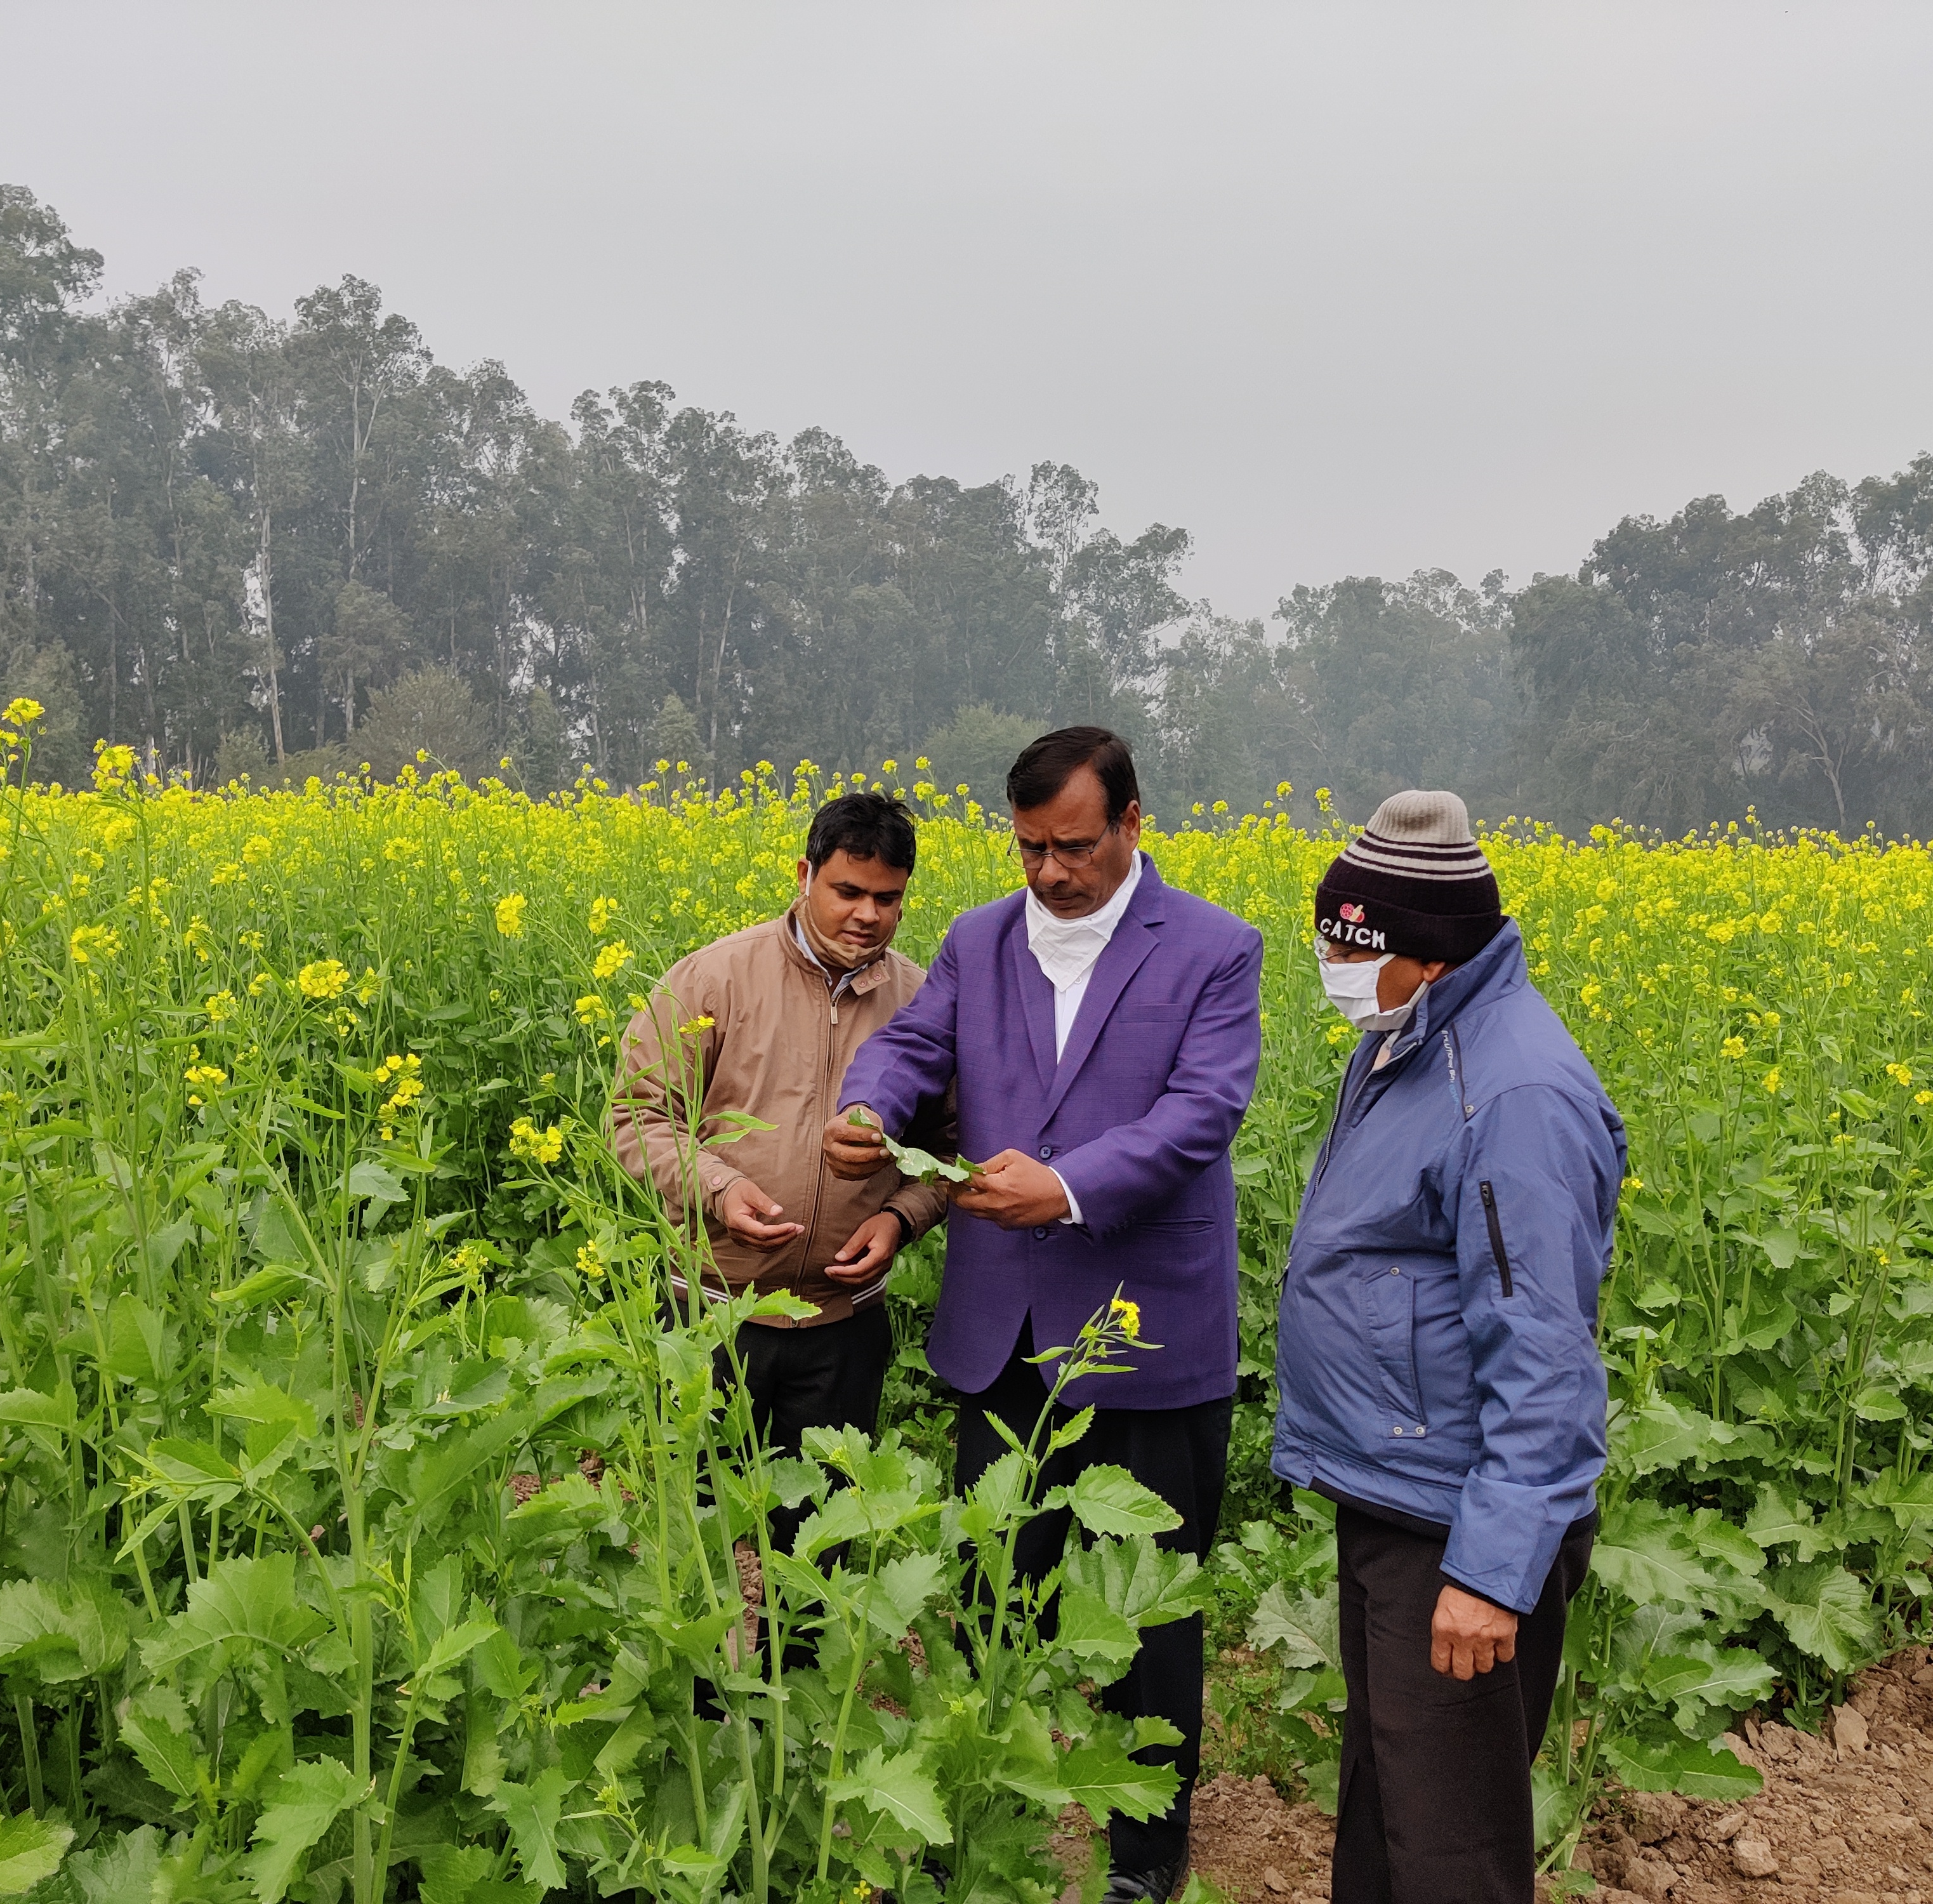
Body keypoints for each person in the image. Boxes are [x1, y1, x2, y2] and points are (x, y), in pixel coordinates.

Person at [825, 727, 1263, 1904]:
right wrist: (870, 1109)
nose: (1051, 872)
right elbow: (912, 1046)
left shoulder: (1216, 949)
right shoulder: (979, 937)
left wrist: (1067, 1188)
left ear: (1131, 823)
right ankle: (982, 1820)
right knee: (986, 1593)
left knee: (1152, 1605)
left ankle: (1145, 1855)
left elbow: (1200, 1115)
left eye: (1074, 846)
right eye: (1030, 848)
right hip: (1002, 1326)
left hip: (1145, 1323)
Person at [1270, 789, 1625, 1904]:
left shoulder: (1513, 1093)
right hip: (1401, 1487)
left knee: (1452, 1850)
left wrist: (1490, 1570)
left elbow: (1545, 1356)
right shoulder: (1411, 1035)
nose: (1326, 957)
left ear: (1420, 953)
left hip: (1458, 1520)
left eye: (1344, 940)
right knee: (1389, 1813)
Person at [611, 791, 955, 1563]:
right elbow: (637, 1115)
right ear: (804, 875)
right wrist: (719, 1188)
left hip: (844, 1320)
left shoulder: (922, 1001)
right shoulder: (715, 979)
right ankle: (703, 1688)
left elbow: (952, 1147)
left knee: (818, 1552)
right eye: (848, 891)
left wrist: (901, 1217)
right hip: (713, 1312)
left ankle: (800, 1681)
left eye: (888, 899)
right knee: (696, 1544)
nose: (867, 915)